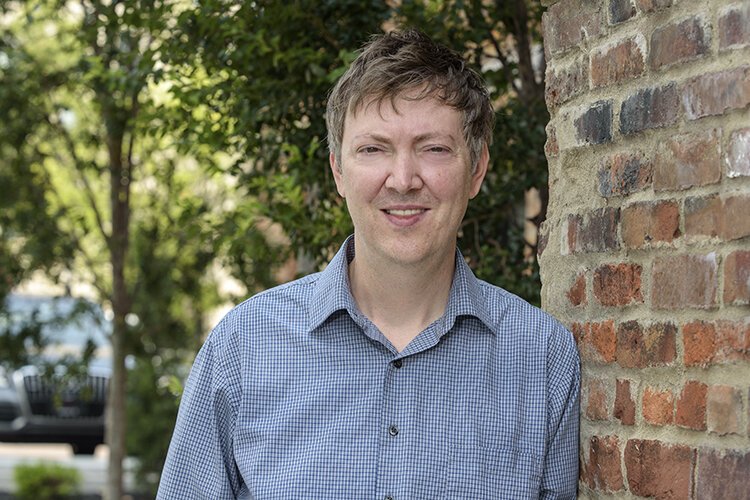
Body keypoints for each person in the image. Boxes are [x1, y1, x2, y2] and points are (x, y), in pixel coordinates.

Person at [157, 29, 580, 499]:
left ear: (476, 169)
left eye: (434, 148)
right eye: (373, 149)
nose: (403, 180)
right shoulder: (243, 348)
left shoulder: (542, 359)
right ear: (338, 170)